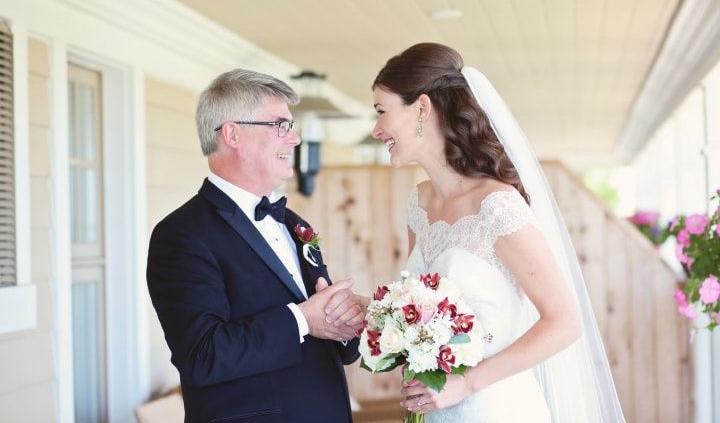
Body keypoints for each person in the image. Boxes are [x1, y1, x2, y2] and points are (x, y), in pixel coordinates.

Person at [365, 43, 625, 422]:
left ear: (421, 108)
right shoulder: (417, 204)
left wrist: (467, 384)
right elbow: (415, 303)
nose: (376, 130)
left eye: (381, 112)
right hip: (436, 410)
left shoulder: (497, 205)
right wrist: (371, 313)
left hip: (496, 408)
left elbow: (565, 322)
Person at [147, 69, 366, 423]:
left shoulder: (296, 223)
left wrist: (342, 322)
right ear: (232, 134)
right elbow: (202, 356)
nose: (294, 139)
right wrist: (302, 319)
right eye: (280, 125)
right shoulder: (181, 235)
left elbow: (330, 342)